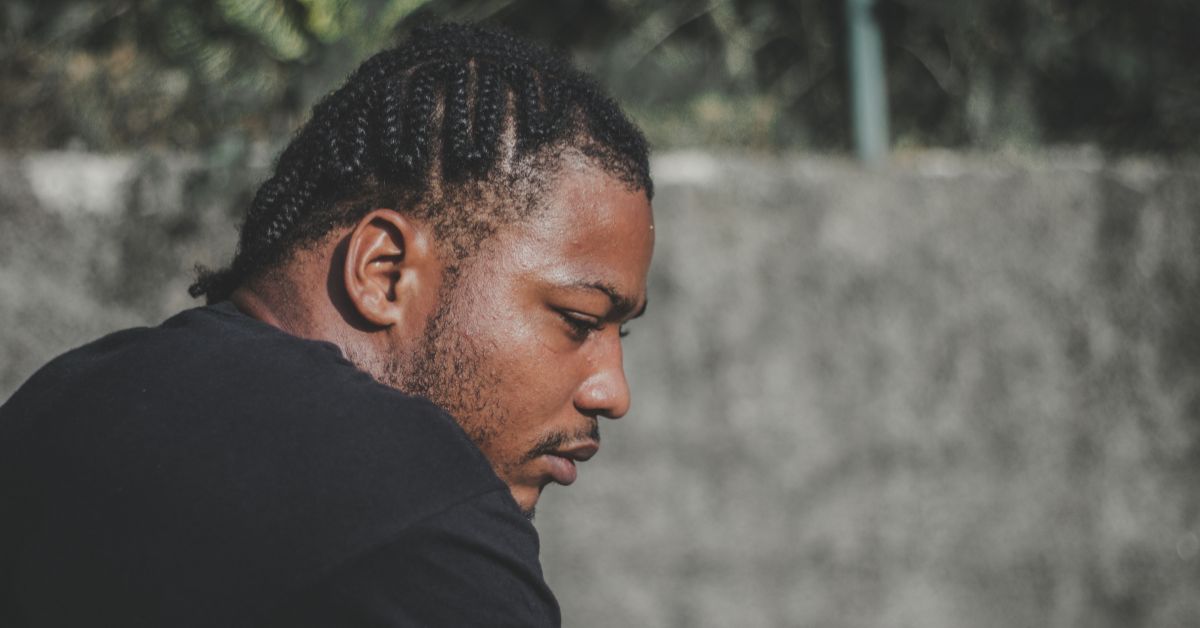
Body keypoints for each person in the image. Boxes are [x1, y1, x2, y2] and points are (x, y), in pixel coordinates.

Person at [0, 23, 654, 627]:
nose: (612, 393)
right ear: (384, 271)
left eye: (617, 335)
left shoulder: (56, 399)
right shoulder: (416, 510)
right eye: (579, 320)